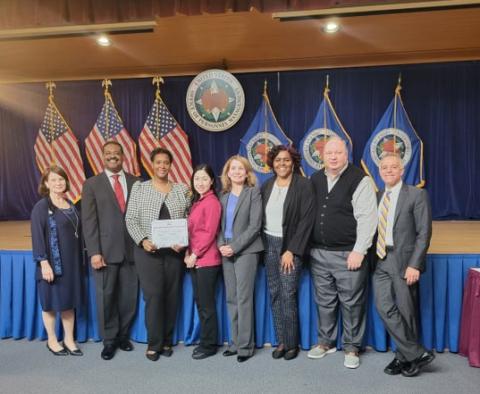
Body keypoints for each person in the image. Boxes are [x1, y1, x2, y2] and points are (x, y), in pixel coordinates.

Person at [308, 137, 377, 369]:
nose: (334, 157)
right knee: (325, 301)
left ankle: (351, 347)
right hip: (318, 253)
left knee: (351, 303)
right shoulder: (315, 178)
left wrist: (359, 251)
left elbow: (368, 218)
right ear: (323, 156)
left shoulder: (360, 179)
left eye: (338, 152)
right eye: (329, 153)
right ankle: (325, 342)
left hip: (349, 253)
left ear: (346, 154)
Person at [125, 147, 190, 361]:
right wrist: (143, 240)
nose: (162, 166)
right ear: (151, 164)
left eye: (166, 162)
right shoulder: (140, 188)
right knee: (154, 297)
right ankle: (154, 343)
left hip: (173, 254)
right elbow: (131, 218)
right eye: (158, 162)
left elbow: (190, 219)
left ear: (171, 165)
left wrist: (183, 241)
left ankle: (168, 340)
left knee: (172, 297)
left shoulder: (181, 189)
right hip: (148, 254)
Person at [373, 153, 434, 377]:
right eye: (384, 168)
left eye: (393, 167)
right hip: (381, 259)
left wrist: (414, 265)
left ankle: (404, 357)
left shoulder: (417, 194)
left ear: (402, 170)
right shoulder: (378, 195)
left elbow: (424, 232)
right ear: (379, 172)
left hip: (404, 261)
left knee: (406, 311)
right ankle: (416, 353)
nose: (389, 171)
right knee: (383, 306)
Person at [82, 141, 139, 360]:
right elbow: (89, 222)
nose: (112, 156)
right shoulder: (91, 184)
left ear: (123, 156)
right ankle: (109, 340)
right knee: (106, 297)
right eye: (108, 153)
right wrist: (94, 251)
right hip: (104, 253)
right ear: (102, 156)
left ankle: (123, 336)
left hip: (133, 251)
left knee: (128, 297)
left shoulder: (137, 182)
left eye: (116, 153)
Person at [261, 145, 315, 361]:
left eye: (286, 160)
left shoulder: (303, 185)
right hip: (269, 244)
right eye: (277, 160)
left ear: (292, 162)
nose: (281, 164)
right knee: (274, 293)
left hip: (290, 247)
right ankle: (281, 340)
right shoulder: (267, 186)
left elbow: (306, 220)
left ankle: (292, 343)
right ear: (272, 164)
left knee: (287, 294)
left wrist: (291, 250)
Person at [31, 166, 84, 356]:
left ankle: (69, 339)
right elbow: (37, 237)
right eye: (53, 180)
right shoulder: (41, 207)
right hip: (52, 265)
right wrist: (43, 263)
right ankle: (52, 340)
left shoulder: (70, 204)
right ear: (46, 183)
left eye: (61, 179)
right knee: (51, 304)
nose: (58, 183)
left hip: (71, 263)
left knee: (68, 303)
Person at [218, 155, 263, 363]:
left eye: (240, 168)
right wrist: (222, 246)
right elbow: (219, 227)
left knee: (244, 298)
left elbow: (255, 226)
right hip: (225, 249)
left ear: (247, 173)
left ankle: (245, 347)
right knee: (231, 298)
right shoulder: (223, 196)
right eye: (233, 168)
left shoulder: (253, 193)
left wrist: (234, 247)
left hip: (246, 251)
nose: (236, 171)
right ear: (228, 173)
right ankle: (234, 343)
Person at [185, 164, 222, 360]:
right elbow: (193, 234)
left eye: (204, 179)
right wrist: (187, 253)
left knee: (206, 305)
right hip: (195, 259)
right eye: (197, 178)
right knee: (201, 303)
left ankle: (209, 345)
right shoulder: (197, 202)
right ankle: (205, 340)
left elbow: (209, 233)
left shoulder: (212, 203)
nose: (200, 183)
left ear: (212, 181)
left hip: (207, 261)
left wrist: (195, 254)